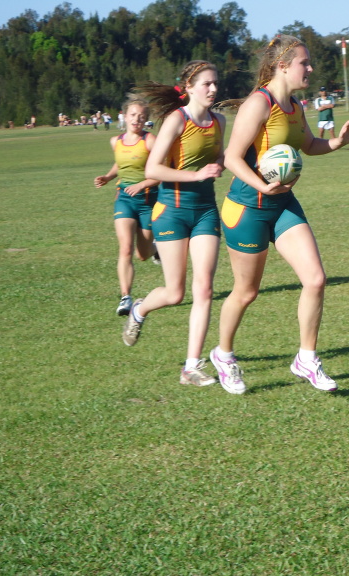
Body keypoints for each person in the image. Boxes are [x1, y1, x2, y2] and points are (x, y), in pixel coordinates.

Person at [213, 35, 349, 394]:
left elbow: (309, 145)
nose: (309, 69)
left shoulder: (295, 106)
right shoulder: (258, 104)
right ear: (283, 66)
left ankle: (306, 359)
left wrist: (339, 140)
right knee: (246, 293)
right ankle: (224, 355)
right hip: (246, 207)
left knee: (315, 279)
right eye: (304, 63)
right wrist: (262, 186)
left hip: (282, 205)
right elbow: (232, 158)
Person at [121, 60, 227, 389]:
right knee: (175, 292)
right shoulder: (175, 121)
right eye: (206, 84)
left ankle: (191, 366)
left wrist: (221, 165)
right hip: (171, 212)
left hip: (206, 211)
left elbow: (221, 155)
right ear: (190, 87)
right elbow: (154, 168)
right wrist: (195, 174)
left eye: (215, 83)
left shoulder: (220, 121)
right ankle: (139, 310)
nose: (213, 89)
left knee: (205, 288)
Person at [94, 96, 160, 317]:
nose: (137, 119)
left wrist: (143, 184)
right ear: (125, 116)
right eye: (133, 115)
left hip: (148, 201)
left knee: (142, 254)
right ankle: (126, 297)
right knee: (125, 248)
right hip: (124, 199)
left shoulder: (150, 141)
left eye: (142, 117)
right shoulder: (116, 141)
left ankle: (156, 249)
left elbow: (162, 172)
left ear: (146, 120)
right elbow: (121, 163)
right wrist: (108, 176)